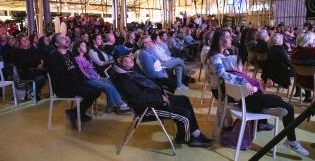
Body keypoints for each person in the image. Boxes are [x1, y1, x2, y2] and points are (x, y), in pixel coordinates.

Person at [209, 29, 309, 157]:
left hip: (245, 98)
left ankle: (284, 132)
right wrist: (245, 82)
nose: (231, 39)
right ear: (220, 40)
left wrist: (245, 80)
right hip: (247, 100)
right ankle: (291, 141)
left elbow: (228, 74)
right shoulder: (216, 57)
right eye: (228, 37)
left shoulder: (224, 54)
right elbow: (222, 75)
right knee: (287, 107)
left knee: (279, 100)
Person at [111, 45, 215, 147]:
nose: (132, 57)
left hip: (154, 99)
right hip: (146, 109)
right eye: (129, 56)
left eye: (131, 55)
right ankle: (189, 139)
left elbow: (147, 82)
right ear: (120, 61)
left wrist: (161, 92)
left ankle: (194, 134)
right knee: (184, 115)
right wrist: (161, 99)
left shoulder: (129, 69)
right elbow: (139, 100)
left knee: (184, 100)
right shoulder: (121, 79)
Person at [48, 33, 101, 128]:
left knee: (97, 90)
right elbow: (60, 77)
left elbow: (77, 69)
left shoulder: (69, 54)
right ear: (56, 44)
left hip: (75, 83)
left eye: (65, 37)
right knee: (90, 93)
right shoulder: (54, 57)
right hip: (64, 87)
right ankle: (76, 113)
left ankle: (75, 112)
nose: (66, 39)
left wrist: (86, 79)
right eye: (62, 38)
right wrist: (77, 82)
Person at [72, 40, 131, 114]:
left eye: (85, 45)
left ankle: (114, 104)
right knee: (107, 86)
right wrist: (93, 78)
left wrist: (97, 76)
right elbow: (82, 71)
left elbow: (92, 69)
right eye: (83, 45)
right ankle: (119, 104)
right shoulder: (77, 59)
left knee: (110, 81)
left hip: (95, 77)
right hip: (88, 79)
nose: (85, 47)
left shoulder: (85, 57)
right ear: (78, 48)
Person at [290, 31, 315, 102]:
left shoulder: (294, 52)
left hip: (300, 81)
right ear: (308, 41)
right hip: (312, 83)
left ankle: (308, 96)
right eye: (313, 40)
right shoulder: (312, 52)